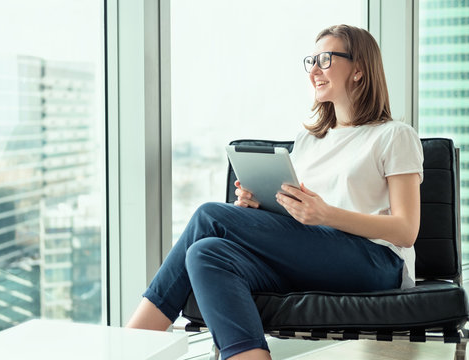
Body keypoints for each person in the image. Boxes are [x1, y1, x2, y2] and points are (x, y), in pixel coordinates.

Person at [126, 24, 423, 360]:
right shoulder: (309, 140)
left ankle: (133, 344)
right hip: (314, 254)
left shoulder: (394, 136)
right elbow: (296, 217)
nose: (313, 70)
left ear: (358, 70)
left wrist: (326, 214)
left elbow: (406, 230)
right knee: (206, 253)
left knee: (209, 216)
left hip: (374, 261)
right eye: (310, 60)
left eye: (325, 60)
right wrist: (258, 209)